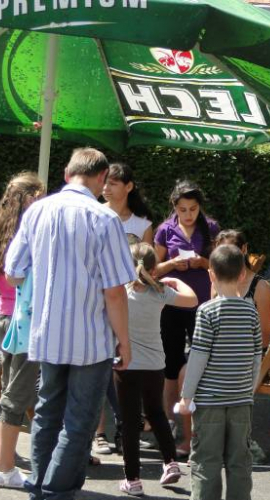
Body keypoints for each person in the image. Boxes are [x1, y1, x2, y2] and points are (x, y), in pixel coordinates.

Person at [5, 147, 136, 500]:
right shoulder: (104, 218)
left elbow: (13, 271)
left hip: (46, 332)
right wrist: (125, 340)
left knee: (48, 414)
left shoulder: (38, 211)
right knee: (79, 421)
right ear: (102, 178)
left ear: (66, 173)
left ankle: (39, 496)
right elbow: (115, 291)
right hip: (89, 336)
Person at [177, 244, 262, 500]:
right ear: (242, 275)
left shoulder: (207, 311)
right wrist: (249, 388)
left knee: (206, 458)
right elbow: (256, 356)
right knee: (239, 459)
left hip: (209, 400)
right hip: (241, 399)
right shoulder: (251, 311)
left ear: (211, 274)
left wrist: (187, 395)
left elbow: (198, 357)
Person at [0, 172, 44, 488]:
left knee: (7, 393)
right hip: (23, 322)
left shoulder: (0, 232)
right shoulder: (26, 235)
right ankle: (5, 469)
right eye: (39, 197)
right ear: (29, 198)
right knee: (17, 396)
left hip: (4, 318)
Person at [116, 242, 197, 496]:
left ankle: (133, 479)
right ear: (154, 269)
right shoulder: (160, 291)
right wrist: (176, 280)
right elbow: (192, 299)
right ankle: (170, 462)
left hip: (126, 364)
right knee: (156, 413)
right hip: (154, 364)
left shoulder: (120, 292)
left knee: (130, 420)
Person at [155, 180, 220, 455]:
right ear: (174, 207)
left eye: (193, 209)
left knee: (200, 362)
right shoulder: (164, 229)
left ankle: (197, 427)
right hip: (172, 304)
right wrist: (173, 263)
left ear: (199, 207)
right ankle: (169, 422)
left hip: (202, 304)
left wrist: (201, 262)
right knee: (171, 364)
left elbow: (220, 264)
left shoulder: (211, 228)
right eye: (183, 209)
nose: (188, 214)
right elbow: (154, 269)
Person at [96, 162, 155, 454]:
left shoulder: (142, 225)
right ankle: (98, 432)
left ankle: (126, 426)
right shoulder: (94, 214)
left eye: (113, 183)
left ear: (129, 187)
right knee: (98, 365)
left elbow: (147, 267)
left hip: (129, 303)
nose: (106, 187)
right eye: (104, 182)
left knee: (125, 366)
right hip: (98, 300)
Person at [215, 229, 270, 463]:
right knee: (189, 372)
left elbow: (264, 338)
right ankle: (213, 440)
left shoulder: (261, 287)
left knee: (224, 382)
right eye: (222, 250)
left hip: (250, 358)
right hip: (220, 356)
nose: (227, 256)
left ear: (244, 249)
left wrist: (233, 351)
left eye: (232, 250)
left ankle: (241, 442)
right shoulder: (216, 282)